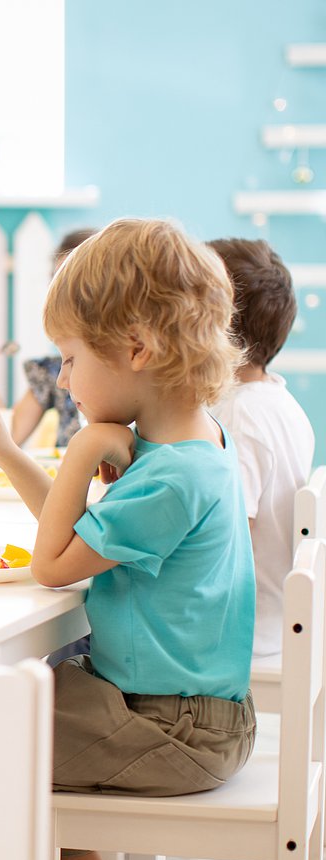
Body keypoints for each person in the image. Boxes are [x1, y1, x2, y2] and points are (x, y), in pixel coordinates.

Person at [0, 218, 256, 860]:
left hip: (173, 728)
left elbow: (52, 561)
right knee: (13, 722)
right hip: (182, 710)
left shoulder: (170, 476)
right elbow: (83, 531)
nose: (61, 379)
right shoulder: (192, 441)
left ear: (136, 350)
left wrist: (86, 443)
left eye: (68, 359)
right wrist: (4, 446)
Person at [208, 237, 315, 659]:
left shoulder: (238, 415)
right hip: (273, 619)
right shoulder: (278, 401)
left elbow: (227, 541)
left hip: (239, 631)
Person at [0, 227, 96, 448]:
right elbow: (6, 439)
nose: (66, 296)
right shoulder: (52, 371)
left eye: (77, 283)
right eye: (58, 283)